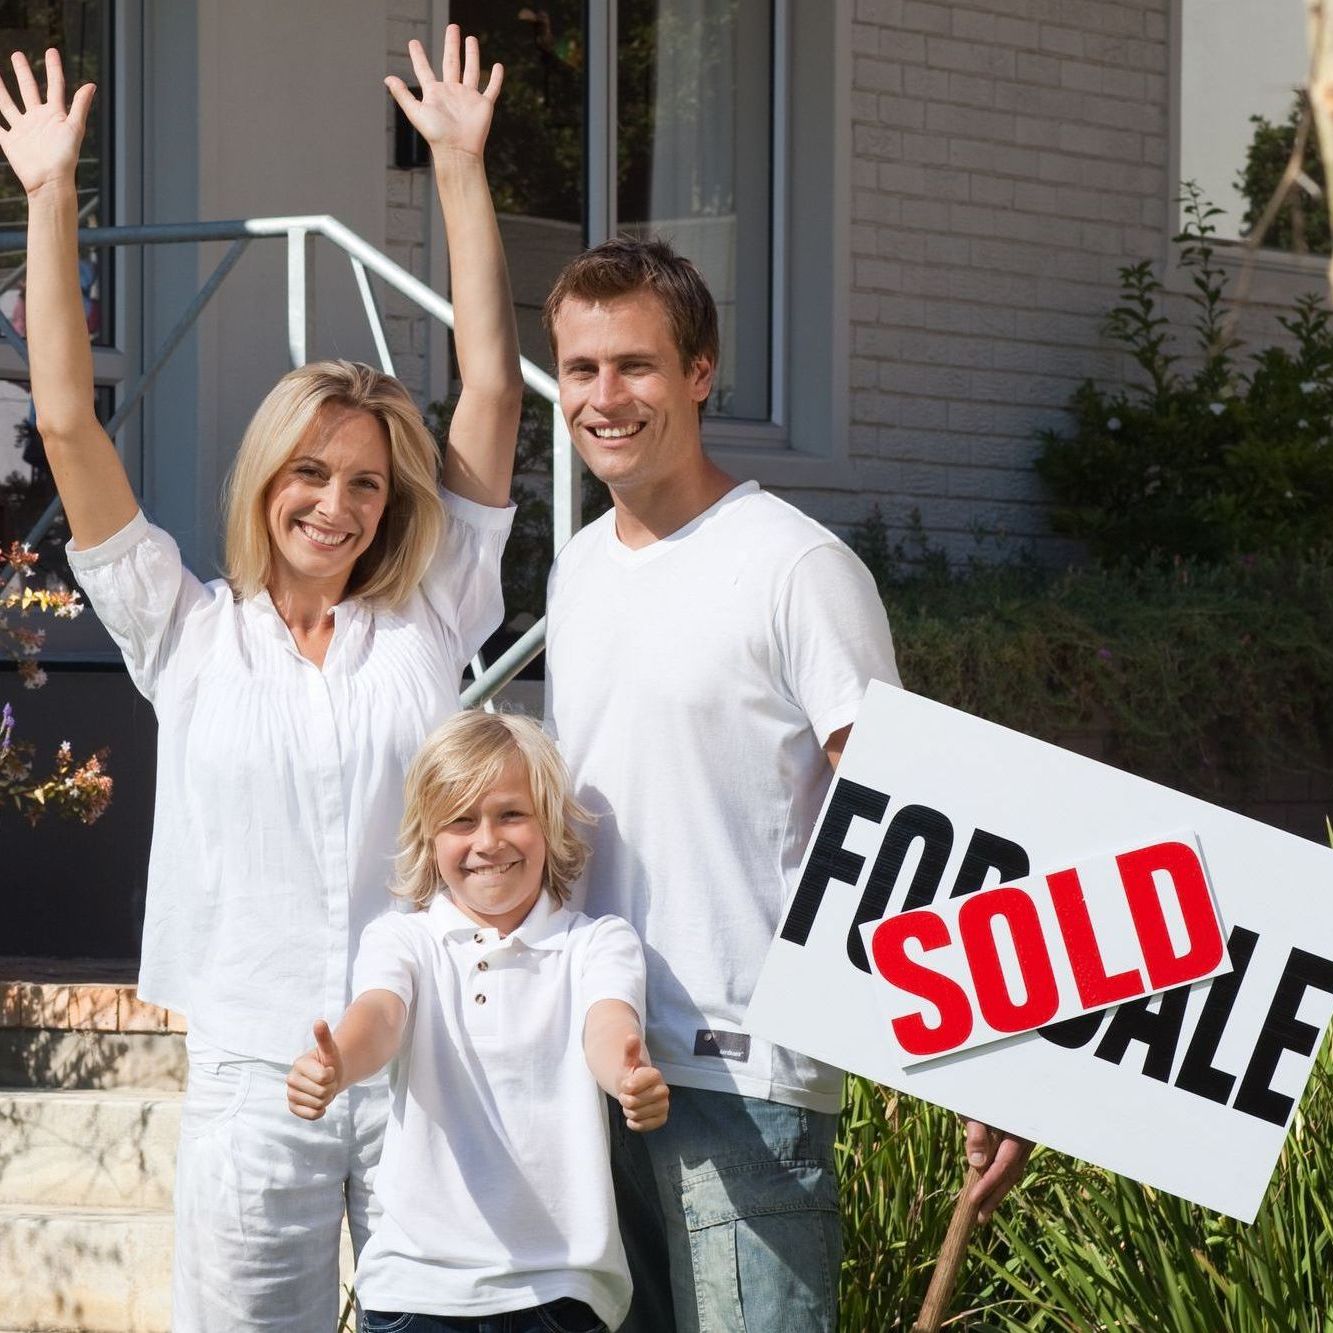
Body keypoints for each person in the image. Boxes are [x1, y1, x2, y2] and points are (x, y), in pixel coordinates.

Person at [0, 30, 521, 1329]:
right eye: (310, 475)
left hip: (427, 1069)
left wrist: (458, 167)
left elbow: (494, 395)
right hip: (252, 1071)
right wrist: (52, 194)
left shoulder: (427, 615)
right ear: (267, 478)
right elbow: (66, 423)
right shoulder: (186, 632)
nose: (335, 507)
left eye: (363, 483)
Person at [541, 237, 1031, 1331]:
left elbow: (905, 816)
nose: (605, 396)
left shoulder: (795, 566)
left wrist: (991, 1063)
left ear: (700, 371)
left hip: (745, 1074)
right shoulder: (575, 568)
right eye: (581, 370)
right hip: (591, 1061)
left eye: (636, 366)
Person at [286, 710, 670, 1333]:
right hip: (417, 1293)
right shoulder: (403, 940)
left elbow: (607, 1026)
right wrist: (338, 1065)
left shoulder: (598, 943)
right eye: (460, 821)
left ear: (548, 824)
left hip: (562, 1295)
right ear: (429, 841)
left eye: (510, 814)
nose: (487, 841)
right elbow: (379, 1017)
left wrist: (628, 1076)